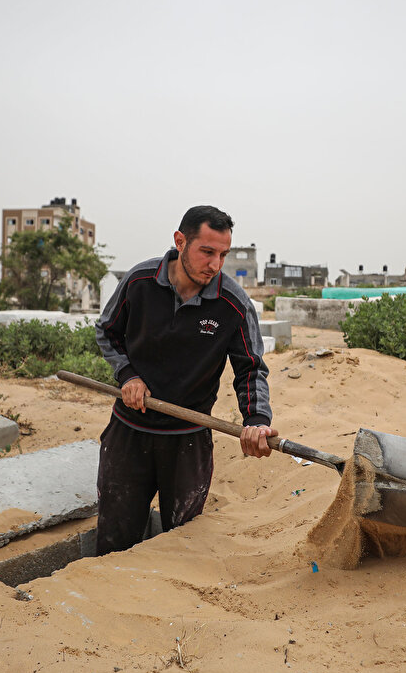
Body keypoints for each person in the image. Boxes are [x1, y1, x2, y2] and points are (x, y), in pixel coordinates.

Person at [94, 205, 276, 554]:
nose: (216, 264)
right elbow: (107, 331)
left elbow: (250, 368)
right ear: (180, 241)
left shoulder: (232, 304)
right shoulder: (139, 282)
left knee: (182, 544)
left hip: (187, 439)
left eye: (223, 254)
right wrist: (128, 375)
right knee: (115, 538)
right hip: (129, 432)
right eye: (207, 252)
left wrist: (257, 421)